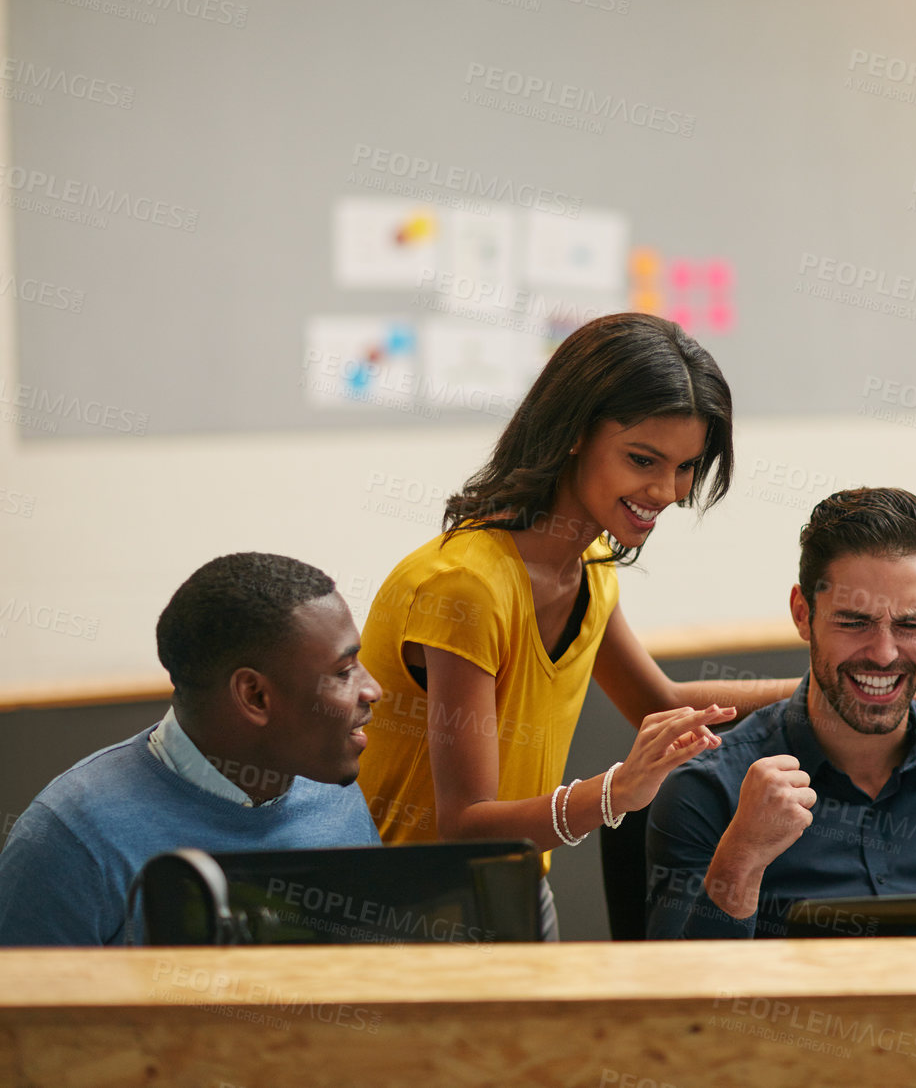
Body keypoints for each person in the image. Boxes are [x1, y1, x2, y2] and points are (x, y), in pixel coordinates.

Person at [357, 314, 802, 941]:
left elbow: (663, 705)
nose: (666, 490)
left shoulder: (590, 570)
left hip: (512, 891)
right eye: (642, 459)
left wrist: (832, 690)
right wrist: (618, 791)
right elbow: (465, 824)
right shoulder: (466, 588)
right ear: (572, 433)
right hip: (406, 913)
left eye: (685, 467)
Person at [644, 488, 916, 939]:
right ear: (801, 613)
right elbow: (678, 1001)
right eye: (854, 623)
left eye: (910, 624)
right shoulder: (709, 789)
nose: (885, 654)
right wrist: (740, 860)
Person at [0, 553, 384, 946]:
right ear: (254, 696)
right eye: (343, 672)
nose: (374, 690)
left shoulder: (333, 793)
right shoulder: (71, 838)